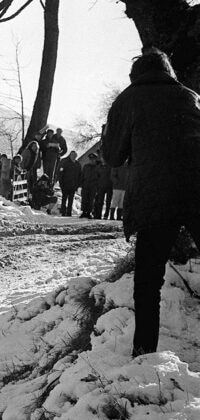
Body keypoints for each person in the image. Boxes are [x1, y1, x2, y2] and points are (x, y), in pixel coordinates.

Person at [103, 48, 200, 357]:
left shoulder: (128, 99)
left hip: (154, 197)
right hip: (197, 191)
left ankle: (145, 355)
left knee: (148, 283)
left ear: (136, 75)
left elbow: (112, 156)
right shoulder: (190, 97)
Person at [57, 150, 82, 216]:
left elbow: (80, 175)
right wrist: (61, 182)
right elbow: (60, 172)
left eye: (75, 155)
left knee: (71, 199)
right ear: (70, 155)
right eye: (73, 155)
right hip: (65, 183)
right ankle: (63, 211)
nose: (74, 156)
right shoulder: (64, 162)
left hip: (73, 185)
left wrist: (78, 184)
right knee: (64, 198)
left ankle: (69, 212)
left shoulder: (77, 164)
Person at [79, 153, 100, 218]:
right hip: (85, 184)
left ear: (95, 159)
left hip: (93, 185)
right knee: (84, 199)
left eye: (93, 159)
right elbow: (82, 175)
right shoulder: (85, 166)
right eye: (90, 159)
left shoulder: (98, 167)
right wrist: (80, 185)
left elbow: (100, 177)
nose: (91, 160)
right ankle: (83, 212)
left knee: (91, 199)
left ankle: (89, 212)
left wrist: (97, 186)